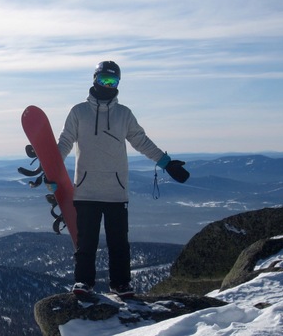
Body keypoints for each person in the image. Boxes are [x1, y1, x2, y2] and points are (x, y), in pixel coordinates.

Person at [56, 60, 189, 297]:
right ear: (94, 80)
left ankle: (121, 284)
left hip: (116, 191)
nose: (107, 85)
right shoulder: (79, 112)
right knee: (86, 243)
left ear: (118, 83)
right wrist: (52, 162)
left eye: (112, 81)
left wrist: (166, 163)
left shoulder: (123, 114)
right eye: (103, 80)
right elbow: (66, 140)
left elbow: (141, 141)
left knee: (119, 244)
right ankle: (83, 283)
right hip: (86, 190)